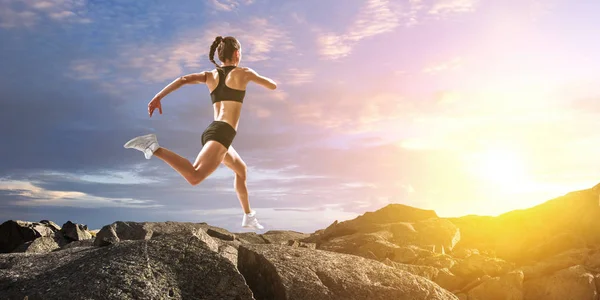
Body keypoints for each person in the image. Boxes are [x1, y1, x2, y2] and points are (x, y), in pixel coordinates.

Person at [124, 36, 277, 230]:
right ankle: (153, 147)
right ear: (237, 54)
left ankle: (248, 215)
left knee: (241, 170)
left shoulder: (210, 75)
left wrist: (158, 97)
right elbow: (272, 85)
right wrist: (256, 76)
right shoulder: (244, 73)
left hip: (216, 132)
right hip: (221, 134)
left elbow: (183, 79)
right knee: (195, 176)